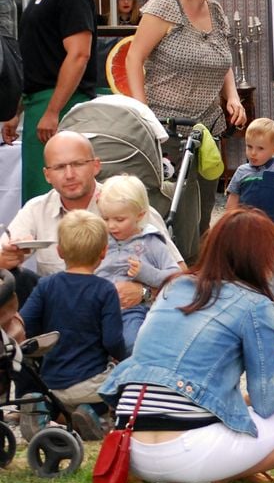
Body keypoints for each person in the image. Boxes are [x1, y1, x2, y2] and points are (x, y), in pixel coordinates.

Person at [100, 208, 274, 483]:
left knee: (214, 411)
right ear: (262, 258)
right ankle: (206, 477)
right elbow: (267, 403)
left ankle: (172, 482)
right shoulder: (254, 303)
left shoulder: (174, 287)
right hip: (187, 447)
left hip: (129, 445)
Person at [126, 0, 248, 241]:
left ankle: (196, 275)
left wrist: (231, 96)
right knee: (174, 212)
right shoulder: (165, 5)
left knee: (203, 213)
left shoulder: (216, 11)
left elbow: (222, 57)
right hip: (167, 130)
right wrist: (144, 114)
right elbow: (134, 57)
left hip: (205, 128)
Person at [0, 132, 184, 307]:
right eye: (59, 167)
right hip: (58, 311)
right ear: (47, 175)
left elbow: (182, 278)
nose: (70, 174)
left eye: (78, 164)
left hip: (116, 314)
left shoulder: (127, 204)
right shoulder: (36, 209)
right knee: (14, 277)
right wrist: (7, 258)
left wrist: (145, 293)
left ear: (96, 166)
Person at [2, 0, 98, 202]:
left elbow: (79, 55)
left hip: (59, 103)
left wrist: (53, 110)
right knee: (37, 195)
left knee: (54, 194)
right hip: (37, 103)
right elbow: (38, 58)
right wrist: (17, 110)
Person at [18, 210, 123, 441]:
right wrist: (123, 358)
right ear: (103, 252)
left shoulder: (46, 285)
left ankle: (43, 410)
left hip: (51, 382)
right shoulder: (105, 290)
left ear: (59, 251)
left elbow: (25, 322)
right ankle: (91, 414)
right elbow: (113, 341)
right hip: (91, 384)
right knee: (122, 378)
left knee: (54, 398)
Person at [95, 174, 185, 356]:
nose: (111, 226)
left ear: (140, 215)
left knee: (131, 343)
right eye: (105, 219)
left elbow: (176, 277)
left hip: (130, 311)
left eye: (119, 220)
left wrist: (145, 273)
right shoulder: (101, 238)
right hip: (96, 307)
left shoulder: (150, 242)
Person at [226, 117, 274, 225]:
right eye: (249, 146)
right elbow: (233, 199)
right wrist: (229, 222)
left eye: (260, 148)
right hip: (244, 226)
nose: (253, 153)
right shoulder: (241, 171)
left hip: (271, 227)